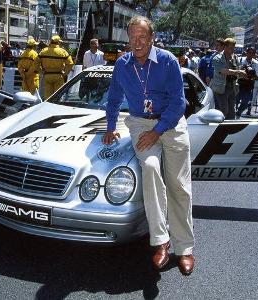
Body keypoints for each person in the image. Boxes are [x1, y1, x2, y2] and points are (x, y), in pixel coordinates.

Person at [102, 16, 195, 276]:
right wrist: (110, 127)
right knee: (151, 168)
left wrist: (157, 131)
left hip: (171, 123)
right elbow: (113, 98)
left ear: (152, 38)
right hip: (141, 125)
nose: (137, 42)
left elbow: (179, 103)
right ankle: (161, 241)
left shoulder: (167, 61)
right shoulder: (122, 64)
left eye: (142, 37)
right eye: (132, 37)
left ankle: (185, 248)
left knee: (179, 186)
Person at [209, 38, 247, 120]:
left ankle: (231, 128)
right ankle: (219, 128)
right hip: (221, 88)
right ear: (225, 47)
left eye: (233, 48)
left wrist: (244, 74)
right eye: (230, 48)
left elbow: (237, 70)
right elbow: (223, 71)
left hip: (232, 87)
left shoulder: (235, 58)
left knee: (232, 111)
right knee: (224, 110)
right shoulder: (217, 58)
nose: (232, 50)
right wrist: (239, 72)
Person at [37, 35, 74, 99]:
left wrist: (41, 71)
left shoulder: (43, 51)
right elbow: (70, 63)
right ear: (58, 42)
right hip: (59, 75)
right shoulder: (63, 51)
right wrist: (65, 73)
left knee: (48, 97)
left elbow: (35, 63)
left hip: (47, 75)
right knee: (58, 97)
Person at [235, 47, 258, 119]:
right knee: (235, 101)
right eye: (249, 53)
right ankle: (233, 114)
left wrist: (252, 74)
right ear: (246, 52)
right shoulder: (240, 60)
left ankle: (238, 113)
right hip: (239, 84)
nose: (251, 54)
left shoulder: (255, 63)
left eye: (253, 53)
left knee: (245, 102)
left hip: (248, 85)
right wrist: (242, 71)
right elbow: (235, 70)